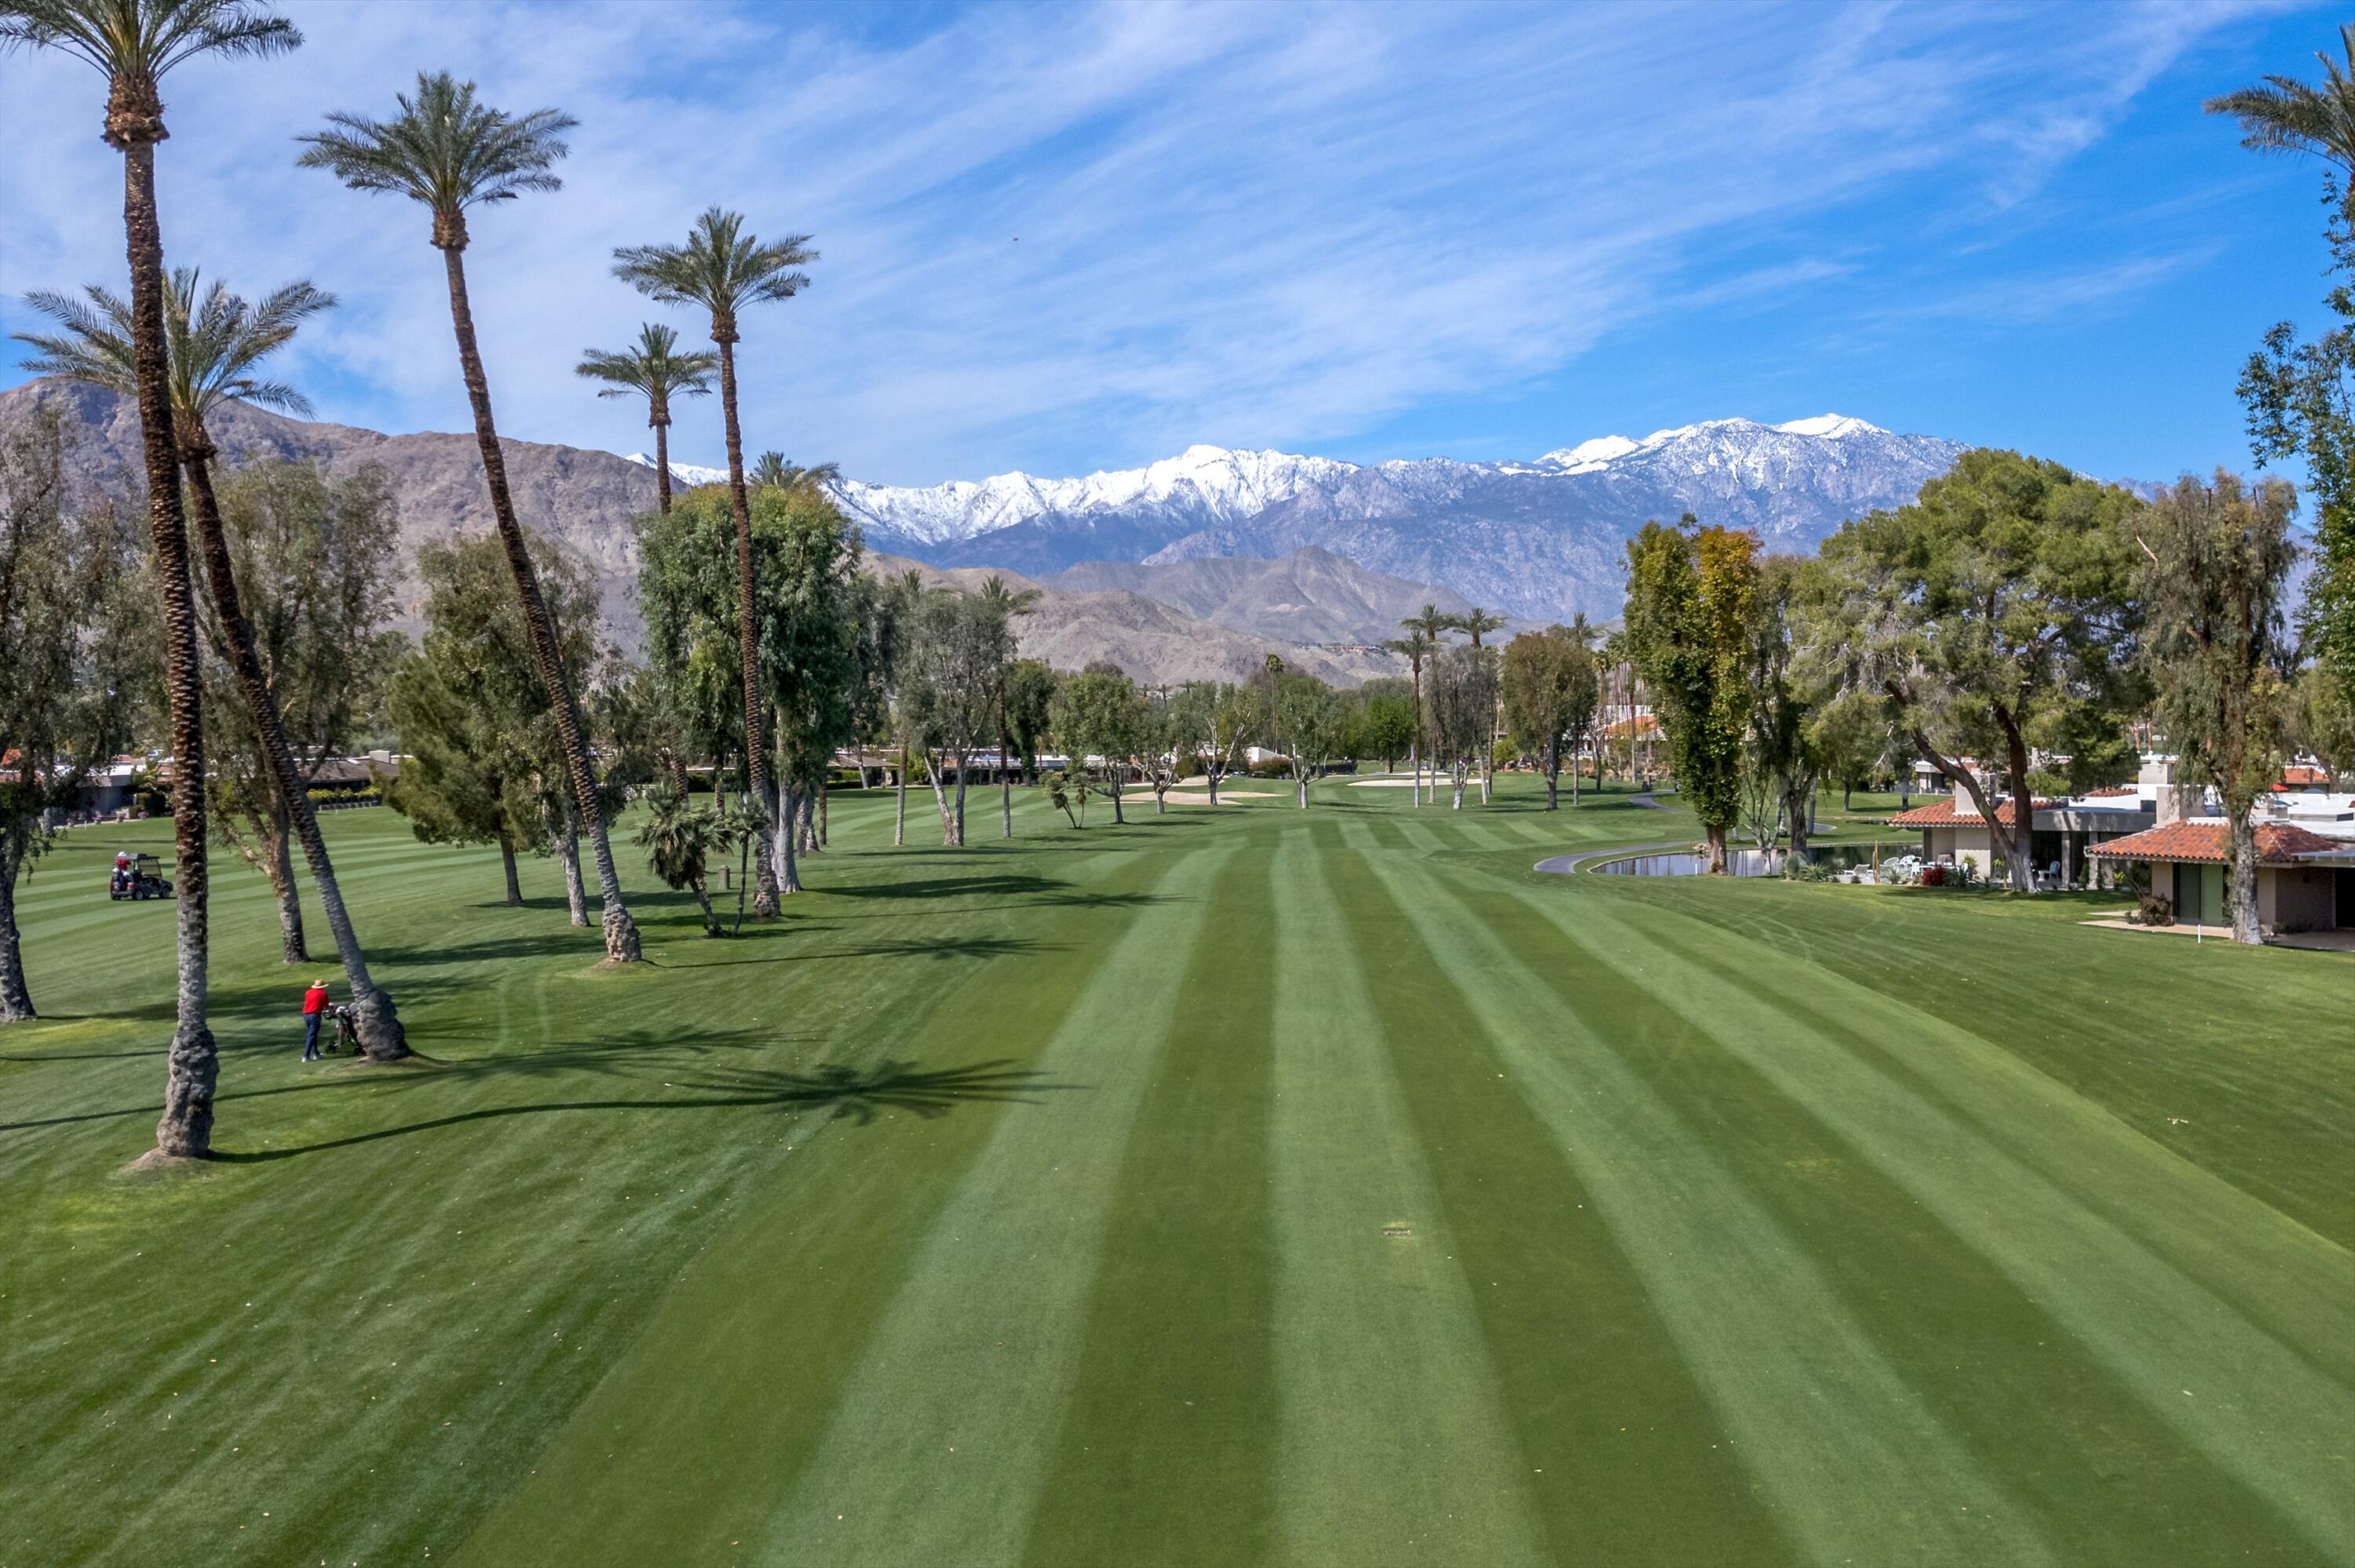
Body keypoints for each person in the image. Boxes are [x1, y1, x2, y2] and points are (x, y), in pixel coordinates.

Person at [301, 979, 331, 1062]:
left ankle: (316, 1053)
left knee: (312, 1034)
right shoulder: (323, 994)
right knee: (311, 1035)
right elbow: (326, 1006)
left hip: (306, 1015)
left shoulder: (308, 992)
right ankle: (306, 1056)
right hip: (315, 1016)